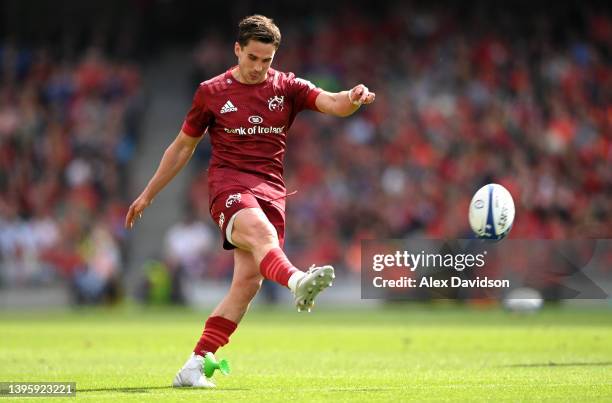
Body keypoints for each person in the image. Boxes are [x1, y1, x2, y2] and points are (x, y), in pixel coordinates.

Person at [124, 14, 375, 388]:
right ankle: (297, 280)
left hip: (271, 190)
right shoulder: (211, 92)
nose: (259, 67)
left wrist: (353, 98)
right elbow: (182, 147)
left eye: (267, 60)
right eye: (252, 57)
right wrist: (148, 193)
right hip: (229, 188)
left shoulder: (287, 86)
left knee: (246, 284)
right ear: (237, 50)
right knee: (260, 234)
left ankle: (194, 365)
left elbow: (334, 103)